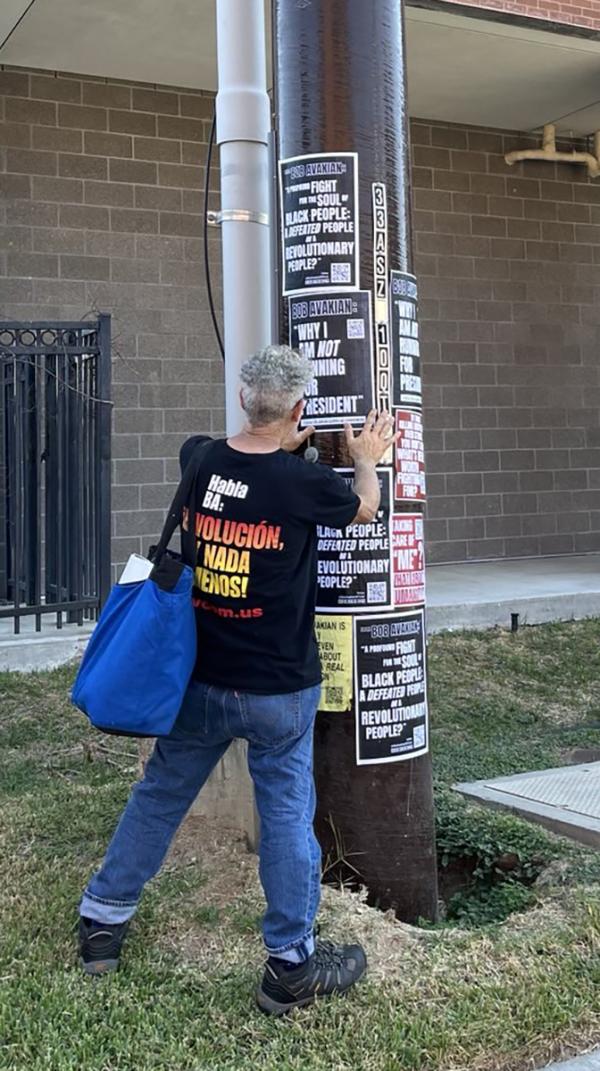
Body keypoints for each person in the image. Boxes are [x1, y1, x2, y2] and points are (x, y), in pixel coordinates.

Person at [78, 344, 397, 1014]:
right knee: (284, 812)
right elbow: (364, 508)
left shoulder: (199, 458)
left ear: (245, 401)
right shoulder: (302, 485)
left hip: (198, 680)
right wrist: (365, 458)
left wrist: (281, 439)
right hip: (278, 688)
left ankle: (102, 920)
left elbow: (236, 459)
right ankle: (290, 964)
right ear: (301, 410)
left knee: (160, 794)